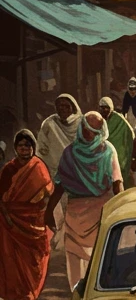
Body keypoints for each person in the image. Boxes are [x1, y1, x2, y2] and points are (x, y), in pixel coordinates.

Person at [46, 111, 123, 289]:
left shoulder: (108, 151)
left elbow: (117, 182)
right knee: (73, 256)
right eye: (86, 129)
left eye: (93, 131)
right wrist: (49, 211)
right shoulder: (69, 154)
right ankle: (76, 295)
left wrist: (122, 209)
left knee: (99, 255)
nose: (89, 134)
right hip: (75, 213)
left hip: (101, 212)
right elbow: (60, 185)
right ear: (81, 128)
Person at [0, 130, 53, 300]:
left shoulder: (38, 167)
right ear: (15, 148)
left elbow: (47, 192)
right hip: (10, 222)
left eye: (28, 145)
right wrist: (7, 217)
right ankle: (17, 296)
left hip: (34, 221)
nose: (25, 149)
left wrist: (41, 213)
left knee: (35, 259)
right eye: (21, 145)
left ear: (33, 147)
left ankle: (29, 294)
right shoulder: (9, 169)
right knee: (12, 259)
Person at [98, 97, 135, 189]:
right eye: (102, 107)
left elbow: (130, 133)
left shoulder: (119, 119)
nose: (104, 110)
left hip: (119, 154)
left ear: (111, 107)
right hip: (103, 154)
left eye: (106, 107)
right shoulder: (98, 119)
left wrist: (127, 149)